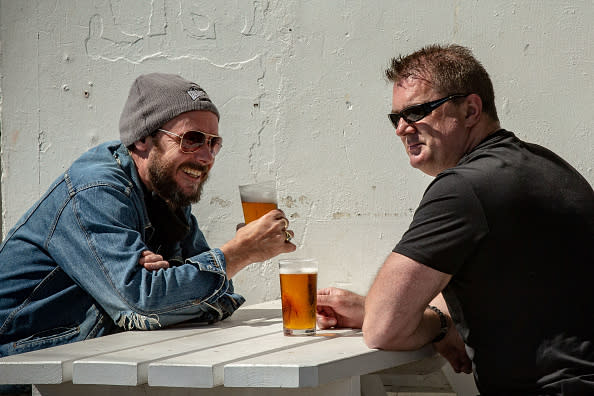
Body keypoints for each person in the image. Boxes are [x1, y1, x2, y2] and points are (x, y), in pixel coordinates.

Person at [316, 44, 594, 395]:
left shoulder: (464, 188)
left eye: (418, 111)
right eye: (395, 118)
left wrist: (435, 328)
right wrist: (424, 318)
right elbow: (493, 283)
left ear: (470, 110)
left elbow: (383, 328)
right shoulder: (546, 167)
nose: (402, 128)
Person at [0, 73, 296, 359]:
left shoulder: (166, 191)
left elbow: (218, 294)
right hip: (21, 368)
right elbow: (145, 303)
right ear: (142, 139)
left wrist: (171, 288)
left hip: (83, 363)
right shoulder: (96, 191)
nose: (206, 157)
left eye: (212, 143)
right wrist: (239, 253)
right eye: (191, 139)